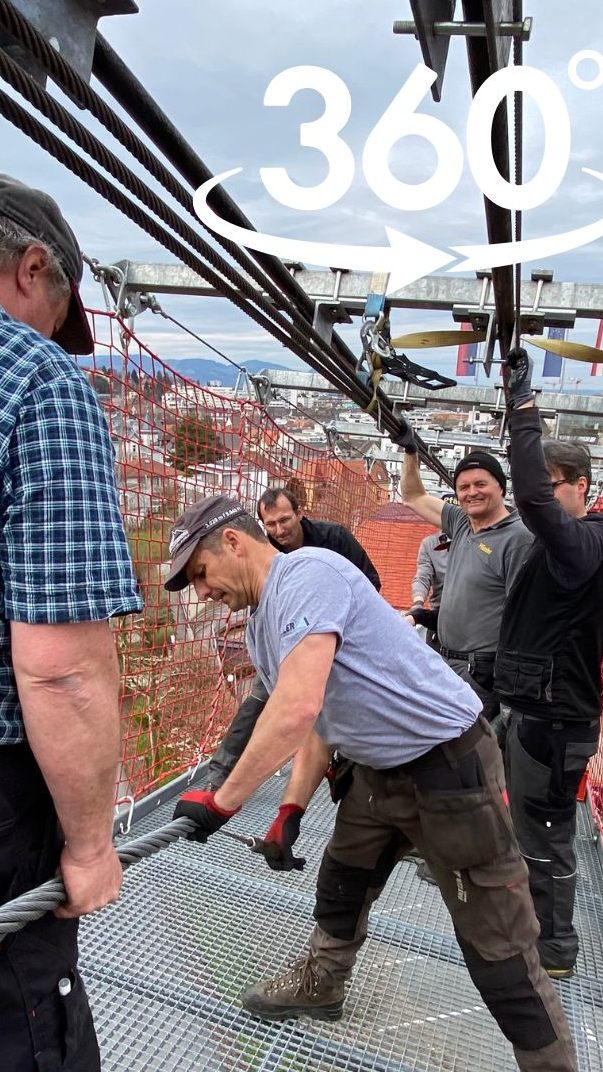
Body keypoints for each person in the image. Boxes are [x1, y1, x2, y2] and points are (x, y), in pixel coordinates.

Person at [166, 495, 577, 1072]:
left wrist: (223, 801)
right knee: (342, 882)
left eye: (201, 575)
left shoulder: (308, 572)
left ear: (233, 542)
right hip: (378, 770)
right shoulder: (262, 624)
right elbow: (316, 719)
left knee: (497, 946)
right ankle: (324, 983)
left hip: (447, 764)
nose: (203, 594)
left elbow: (295, 705)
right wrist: (290, 809)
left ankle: (551, 1066)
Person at [0, 175, 142, 1071]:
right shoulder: (36, 381)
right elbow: (60, 667)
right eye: (57, 313)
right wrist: (90, 848)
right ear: (32, 268)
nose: (56, 338)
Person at [495, 348, 603, 979]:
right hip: (543, 712)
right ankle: (544, 935)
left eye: (557, 483)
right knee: (535, 829)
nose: (541, 496)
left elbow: (531, 496)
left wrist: (522, 404)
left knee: (544, 837)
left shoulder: (582, 545)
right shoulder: (576, 548)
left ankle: (553, 949)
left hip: (552, 719)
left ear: (581, 488)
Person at [202, 486, 380, 788]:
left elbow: (370, 583)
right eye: (270, 524)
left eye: (285, 520)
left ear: (299, 512)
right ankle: (218, 776)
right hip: (285, 637)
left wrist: (331, 621)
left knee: (345, 697)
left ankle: (347, 769)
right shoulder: (265, 552)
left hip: (337, 634)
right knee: (261, 698)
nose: (279, 530)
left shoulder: (334, 539)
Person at [401, 444, 533, 726]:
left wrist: (500, 670)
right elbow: (413, 496)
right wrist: (410, 451)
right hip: (447, 661)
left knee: (463, 746)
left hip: (480, 671)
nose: (472, 492)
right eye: (464, 487)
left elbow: (524, 615)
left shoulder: (518, 538)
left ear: (500, 487)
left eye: (480, 484)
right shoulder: (461, 522)